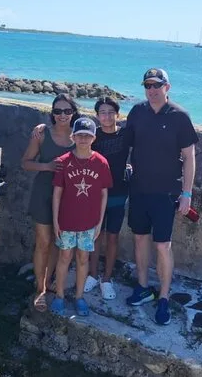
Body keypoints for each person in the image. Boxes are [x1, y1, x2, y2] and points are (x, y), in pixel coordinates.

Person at [125, 68, 199, 326]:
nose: (152, 90)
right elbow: (126, 143)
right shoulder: (137, 112)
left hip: (166, 193)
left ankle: (164, 296)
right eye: (148, 85)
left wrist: (187, 194)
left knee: (162, 245)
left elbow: (189, 157)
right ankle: (143, 287)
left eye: (157, 85)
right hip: (138, 189)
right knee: (139, 239)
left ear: (167, 87)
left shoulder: (179, 116)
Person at [21, 94, 78, 312]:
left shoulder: (79, 135)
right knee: (43, 241)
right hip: (44, 192)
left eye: (67, 111)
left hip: (69, 196)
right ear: (52, 113)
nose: (62, 115)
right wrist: (47, 166)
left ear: (73, 113)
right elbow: (26, 163)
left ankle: (49, 280)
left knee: (57, 241)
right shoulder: (42, 134)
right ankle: (40, 289)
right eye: (57, 111)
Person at [50, 117, 111, 316]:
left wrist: (99, 222)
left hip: (89, 223)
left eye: (87, 135)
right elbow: (57, 193)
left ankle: (79, 297)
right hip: (66, 221)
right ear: (73, 137)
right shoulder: (63, 162)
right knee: (64, 256)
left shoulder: (101, 163)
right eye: (80, 135)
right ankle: (59, 295)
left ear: (93, 138)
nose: (83, 139)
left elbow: (104, 194)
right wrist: (55, 221)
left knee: (83, 258)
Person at [82, 96, 131, 300]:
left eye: (111, 112)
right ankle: (92, 275)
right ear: (97, 116)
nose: (107, 116)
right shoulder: (93, 136)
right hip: (95, 193)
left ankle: (107, 279)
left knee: (112, 237)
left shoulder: (126, 134)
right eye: (103, 112)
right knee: (95, 236)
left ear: (118, 115)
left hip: (119, 192)